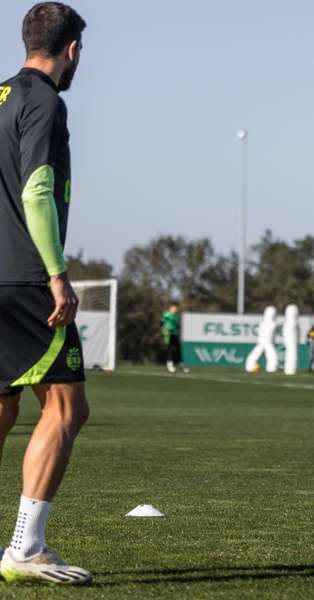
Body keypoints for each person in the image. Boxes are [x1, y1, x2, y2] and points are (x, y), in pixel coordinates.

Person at [0, 2, 92, 584]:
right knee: (66, 407)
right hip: (28, 279)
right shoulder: (44, 101)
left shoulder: (1, 95)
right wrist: (56, 272)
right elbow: (37, 191)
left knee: (3, 406)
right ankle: (25, 548)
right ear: (72, 49)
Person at [161, 301, 188, 373]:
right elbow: (162, 322)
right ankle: (169, 364)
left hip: (175, 333)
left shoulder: (176, 316)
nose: (176, 309)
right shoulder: (166, 314)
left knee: (178, 349)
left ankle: (181, 364)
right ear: (171, 308)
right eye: (174, 308)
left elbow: (176, 325)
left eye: (176, 308)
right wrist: (166, 330)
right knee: (170, 348)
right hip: (167, 333)